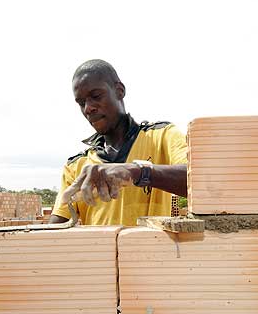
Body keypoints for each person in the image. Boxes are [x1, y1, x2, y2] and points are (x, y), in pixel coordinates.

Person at [49, 59, 187, 226]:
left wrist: (137, 172)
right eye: (81, 103)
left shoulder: (162, 136)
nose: (88, 108)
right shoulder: (77, 166)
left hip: (153, 251)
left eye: (95, 96)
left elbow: (199, 182)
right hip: (100, 252)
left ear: (119, 91)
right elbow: (55, 228)